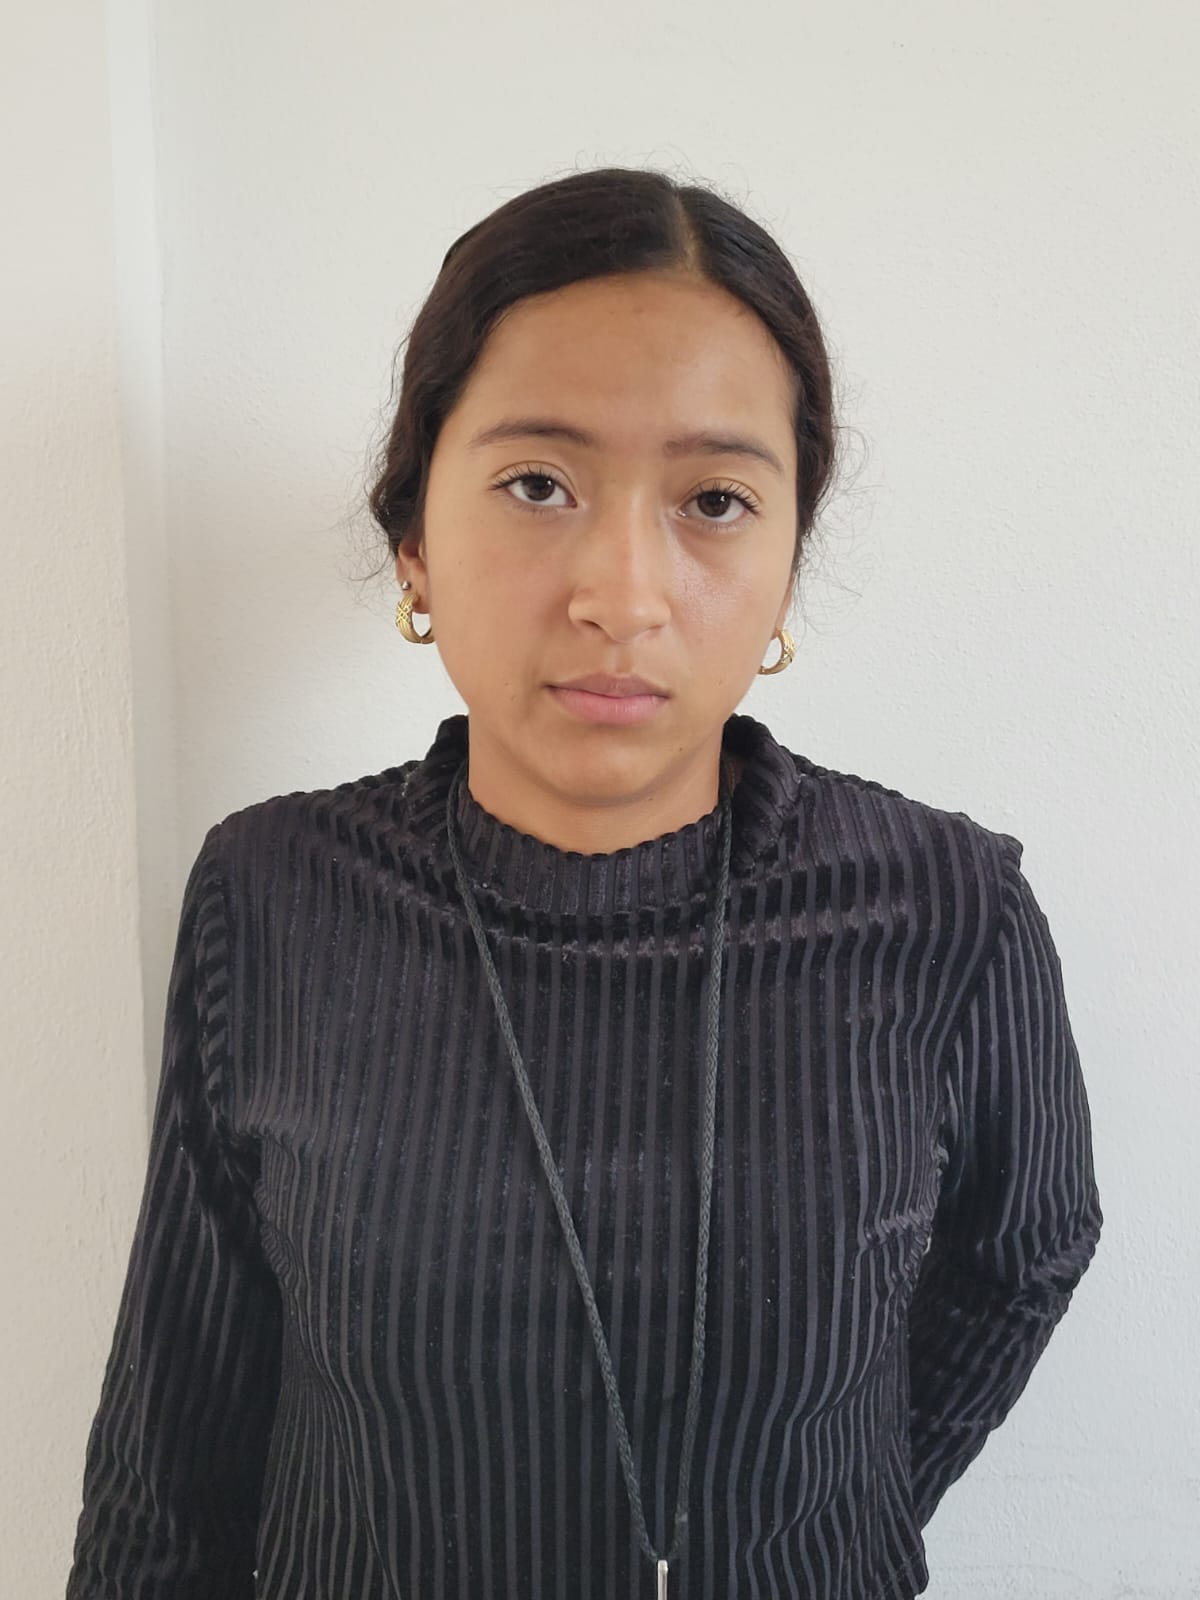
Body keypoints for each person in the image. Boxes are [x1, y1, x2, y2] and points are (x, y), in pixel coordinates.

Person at [64, 165, 1103, 1600]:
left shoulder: (948, 910)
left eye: (716, 500)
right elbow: (179, 1419)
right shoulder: (273, 894)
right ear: (414, 538)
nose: (622, 595)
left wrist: (827, 1516)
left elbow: (1027, 1250)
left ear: (790, 559)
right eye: (537, 485)